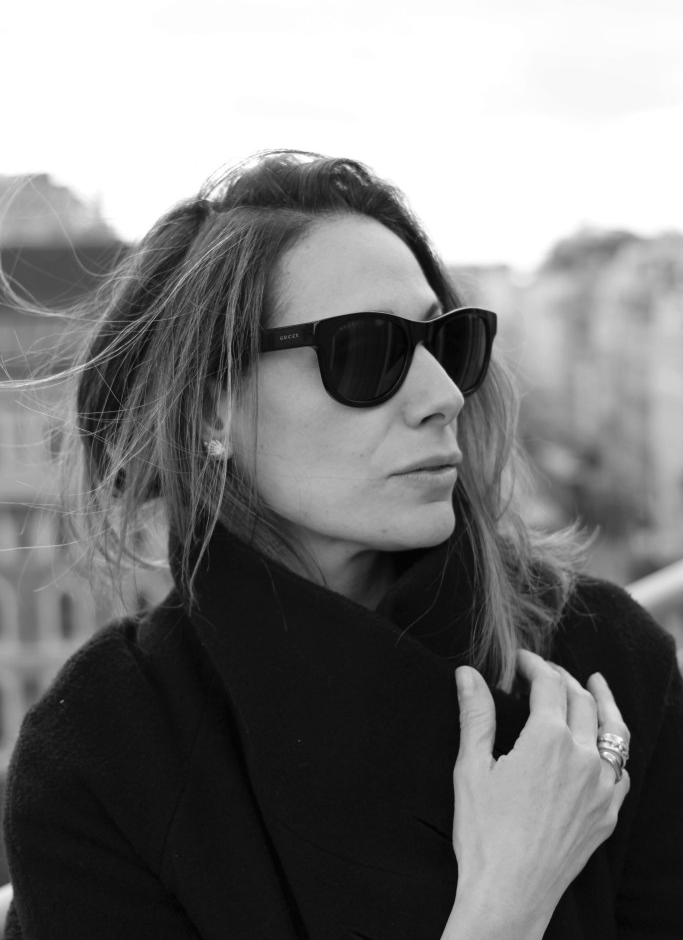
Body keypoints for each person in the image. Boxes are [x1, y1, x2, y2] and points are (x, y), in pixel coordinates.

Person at [2, 150, 682, 939]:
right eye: (365, 352)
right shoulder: (106, 751)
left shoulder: (599, 661)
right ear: (212, 411)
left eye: (448, 343)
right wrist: (506, 904)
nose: (441, 396)